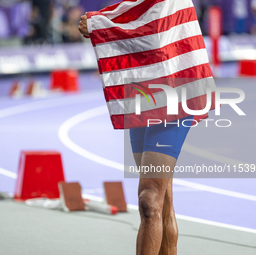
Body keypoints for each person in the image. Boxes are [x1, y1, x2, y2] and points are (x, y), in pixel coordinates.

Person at [79, 0, 215, 254]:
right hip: (146, 87)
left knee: (149, 199)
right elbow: (137, 10)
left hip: (177, 85)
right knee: (161, 199)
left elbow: (150, 13)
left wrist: (101, 22)